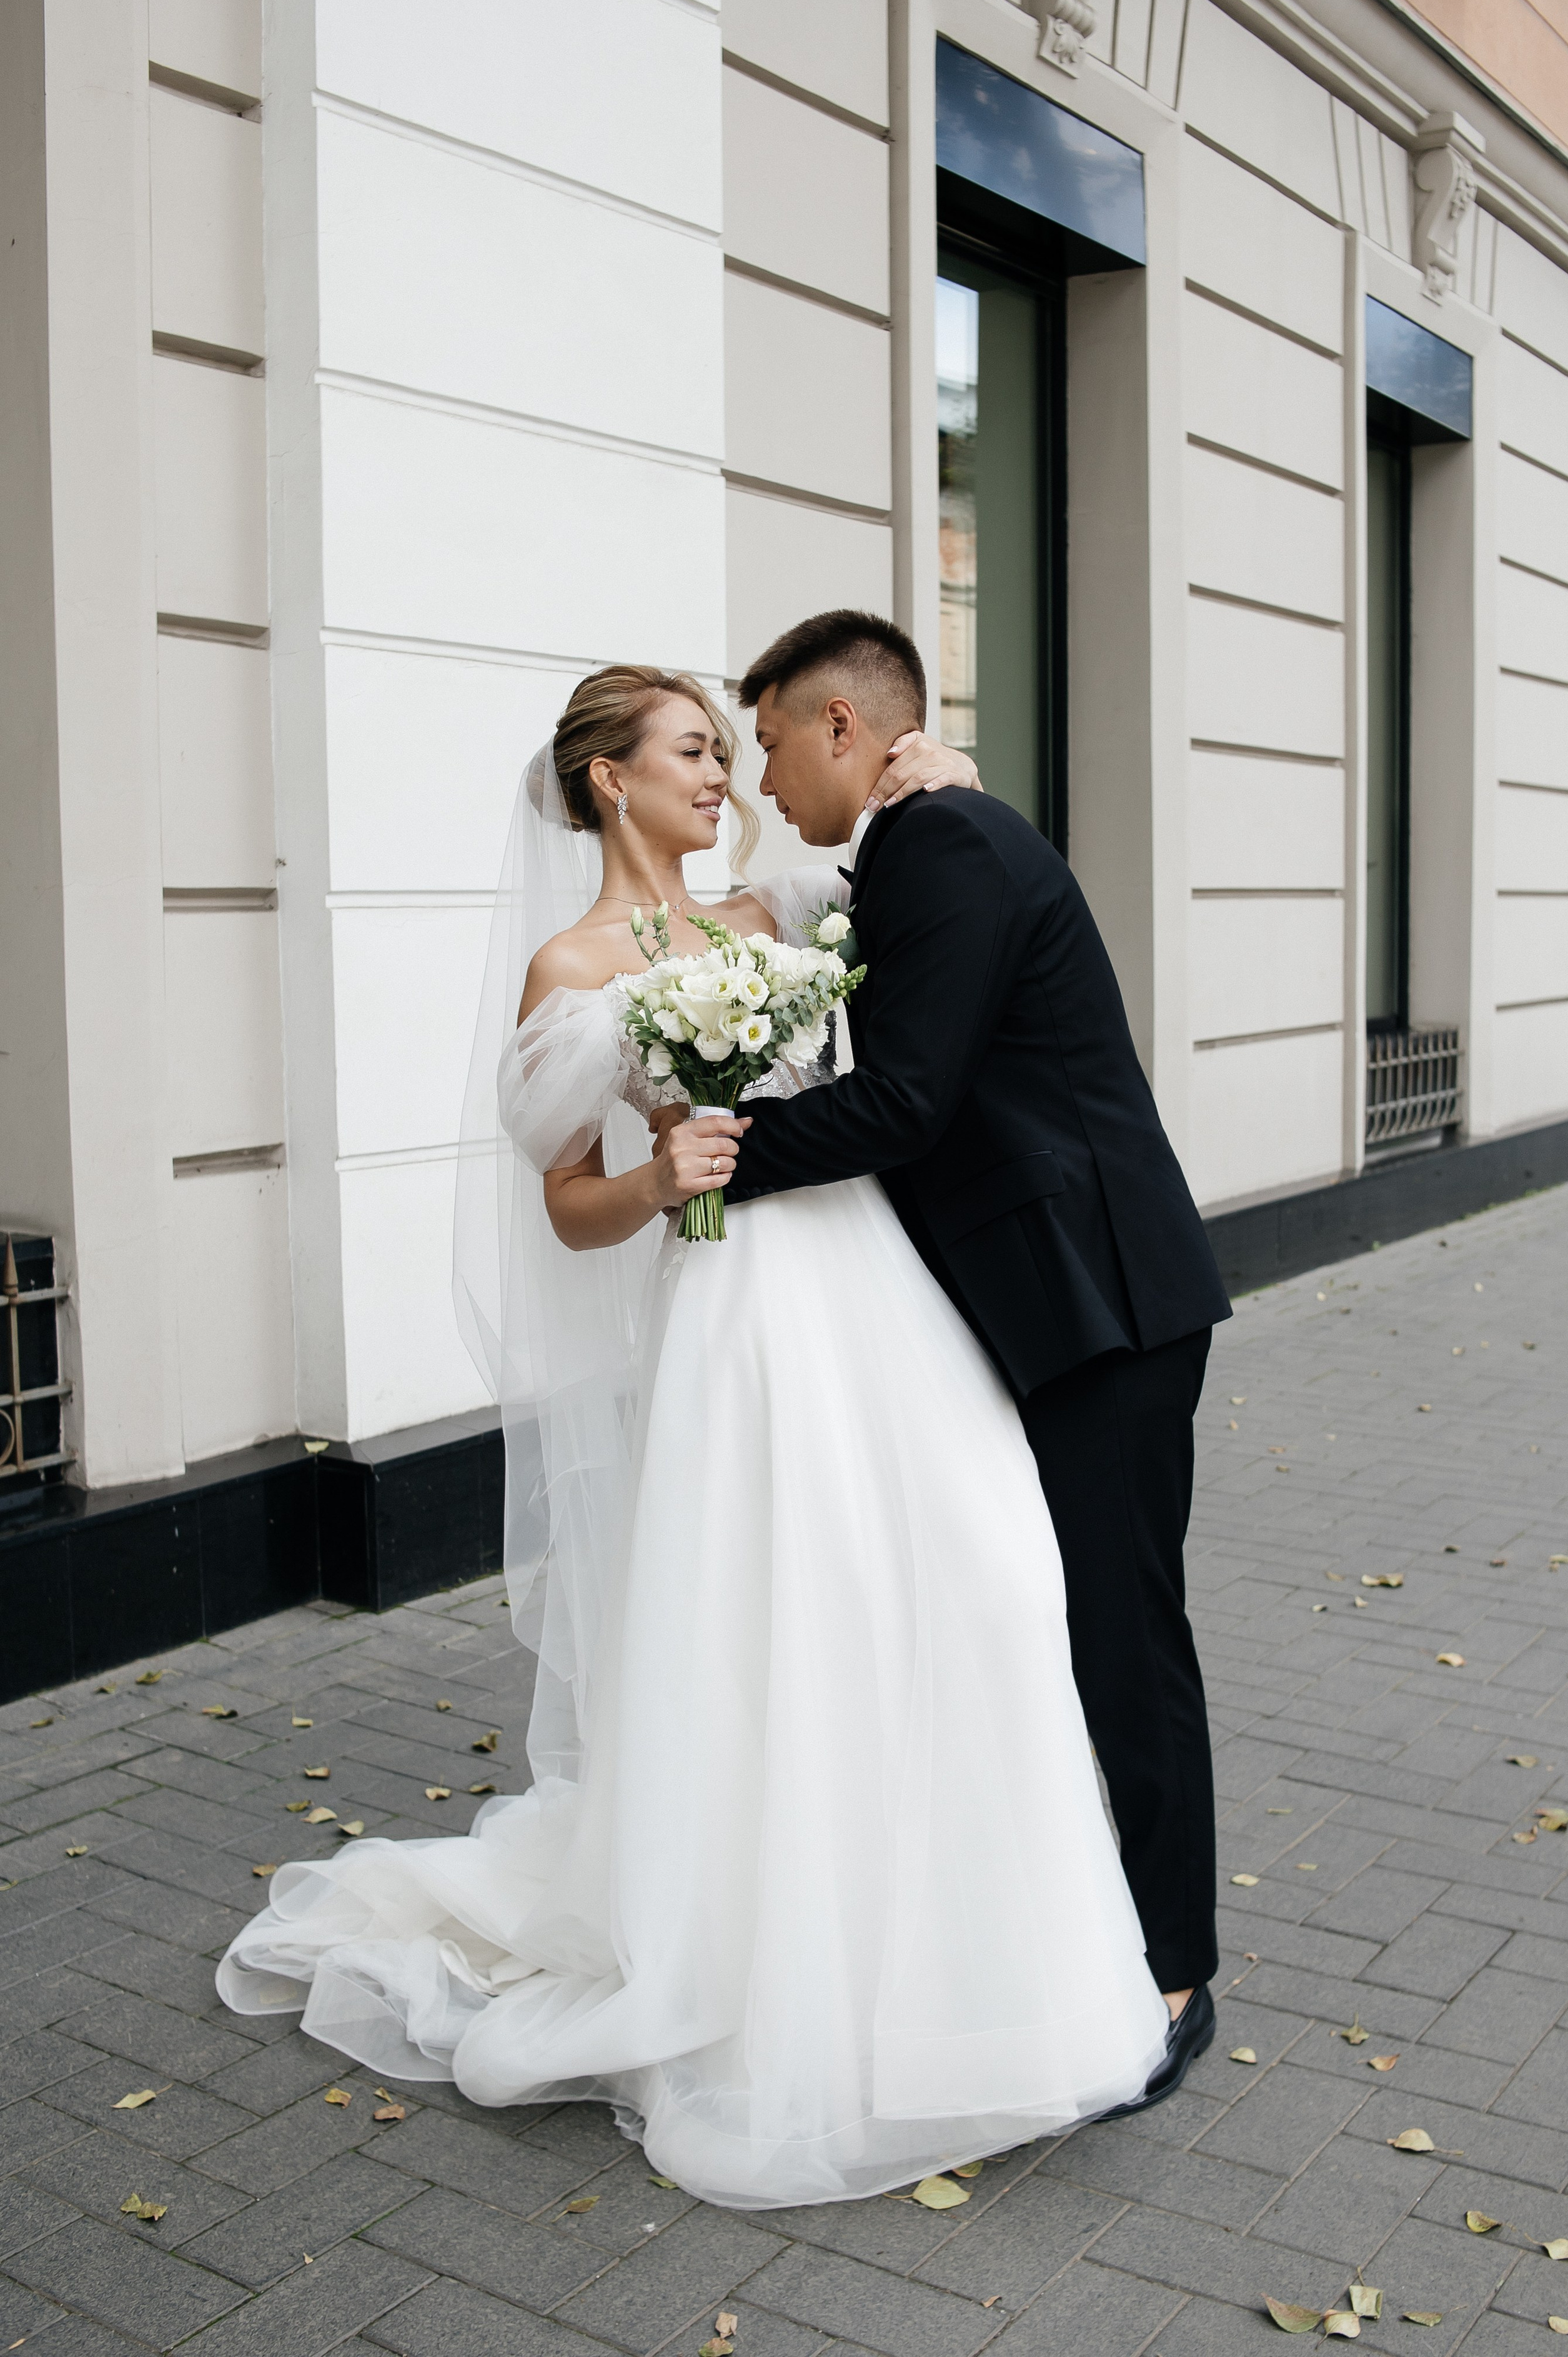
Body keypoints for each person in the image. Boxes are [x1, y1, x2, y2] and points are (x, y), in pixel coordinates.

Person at [214, 659, 1172, 2210]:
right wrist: (658, 1184)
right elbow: (568, 1208)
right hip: (731, 1321)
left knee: (981, 1582)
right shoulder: (568, 967)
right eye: (690, 753)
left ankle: (971, 1938)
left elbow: (911, 870)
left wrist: (939, 764)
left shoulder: (777, 915)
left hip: (881, 1292)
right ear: (609, 780)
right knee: (776, 1625)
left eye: (731, 753)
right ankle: (773, 1964)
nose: (722, 777)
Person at [727, 612, 1233, 2107]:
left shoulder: (942, 845)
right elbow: (833, 919)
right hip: (1046, 1299)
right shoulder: (912, 842)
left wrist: (709, 1158)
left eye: (764, 745)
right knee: (1047, 1622)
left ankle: (1172, 1968)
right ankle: (1072, 1926)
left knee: (1119, 1634)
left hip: (1103, 1305)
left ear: (838, 727)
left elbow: (905, 1103)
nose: (759, 781)